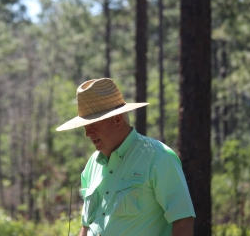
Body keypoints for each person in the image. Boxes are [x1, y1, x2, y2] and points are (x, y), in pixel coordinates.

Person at [56, 78, 195, 236]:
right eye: (85, 127)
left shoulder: (158, 157)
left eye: (93, 125)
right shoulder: (91, 165)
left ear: (117, 120)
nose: (87, 133)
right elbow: (86, 226)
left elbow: (183, 220)